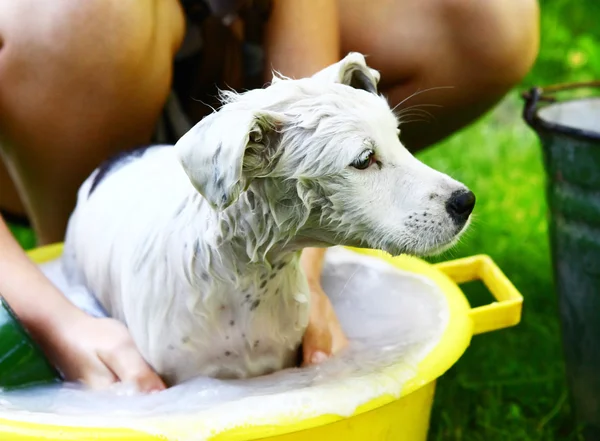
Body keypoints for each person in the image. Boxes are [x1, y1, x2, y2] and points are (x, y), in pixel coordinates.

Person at [0, 0, 539, 392]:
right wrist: (60, 322)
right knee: (86, 13)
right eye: (366, 160)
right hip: (60, 70)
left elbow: (311, 89)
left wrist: (306, 268)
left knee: (493, 19)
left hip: (232, 102)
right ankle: (64, 247)